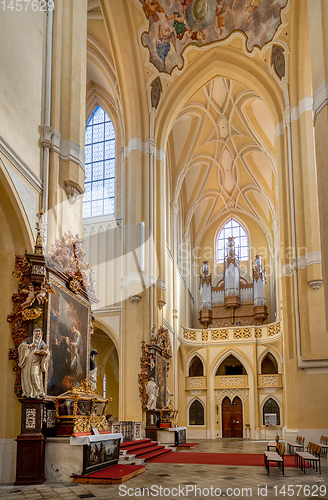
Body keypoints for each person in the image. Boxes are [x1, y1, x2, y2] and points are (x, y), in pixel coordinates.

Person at [18, 328, 50, 398]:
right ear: (34, 333)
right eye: (37, 332)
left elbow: (46, 350)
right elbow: (21, 346)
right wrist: (29, 346)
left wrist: (45, 353)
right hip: (28, 361)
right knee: (27, 375)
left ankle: (38, 391)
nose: (39, 333)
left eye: (40, 332)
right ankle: (29, 391)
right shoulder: (29, 340)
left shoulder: (42, 342)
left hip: (36, 361)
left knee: (34, 374)